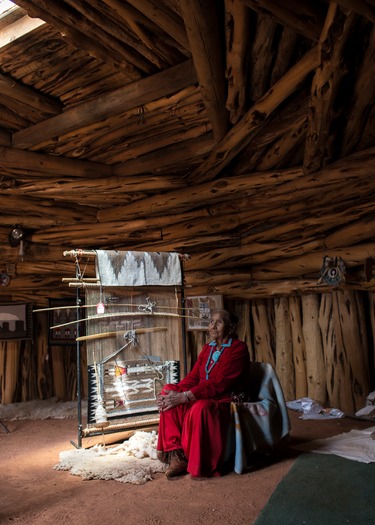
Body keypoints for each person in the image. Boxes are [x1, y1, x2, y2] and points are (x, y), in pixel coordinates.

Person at [156, 309, 251, 479]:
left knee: (200, 407)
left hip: (224, 396)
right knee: (167, 390)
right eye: (211, 322)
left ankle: (198, 463)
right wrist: (174, 393)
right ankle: (176, 454)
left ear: (231, 327)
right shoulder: (208, 348)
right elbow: (193, 378)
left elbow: (220, 383)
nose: (213, 326)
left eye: (219, 322)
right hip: (203, 393)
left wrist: (185, 396)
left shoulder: (239, 349)